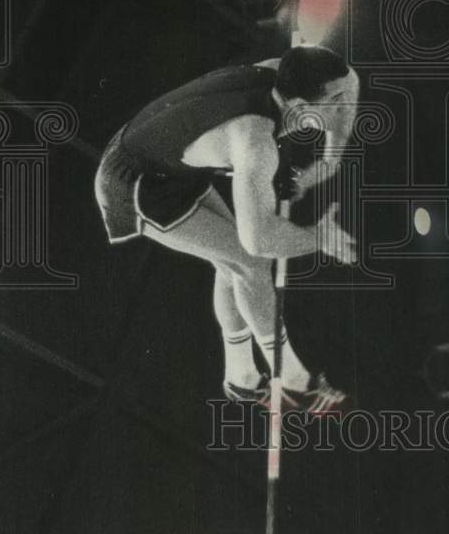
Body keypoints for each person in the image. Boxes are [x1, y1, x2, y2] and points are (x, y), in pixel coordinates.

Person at [94, 46, 359, 412]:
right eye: (336, 100)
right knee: (249, 261)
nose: (346, 105)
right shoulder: (254, 143)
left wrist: (330, 159)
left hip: (158, 153)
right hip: (133, 184)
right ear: (300, 107)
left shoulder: (278, 71)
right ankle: (294, 382)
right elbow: (260, 239)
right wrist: (319, 237)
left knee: (231, 263)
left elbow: (350, 80)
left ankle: (242, 379)